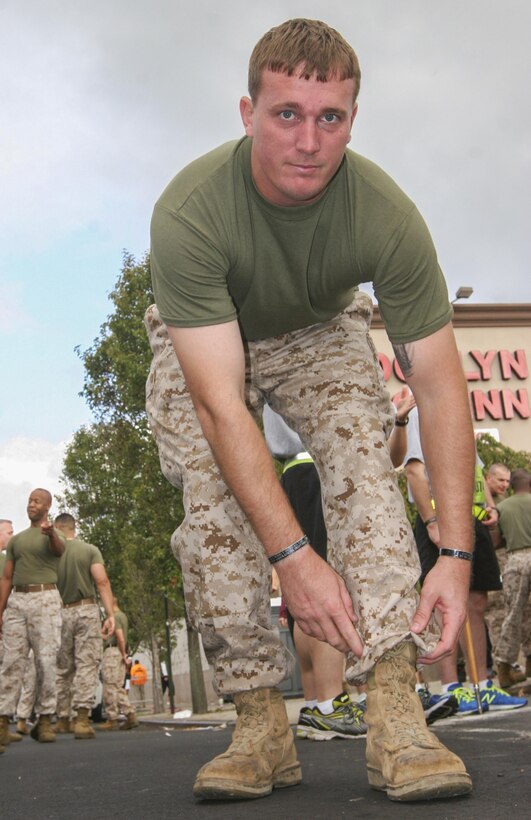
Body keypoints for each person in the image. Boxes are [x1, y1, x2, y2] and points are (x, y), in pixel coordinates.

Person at [145, 18, 476, 803]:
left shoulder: (385, 216)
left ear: (351, 121)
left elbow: (437, 386)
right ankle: (260, 717)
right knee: (208, 490)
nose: (308, 140)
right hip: (205, 341)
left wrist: (457, 558)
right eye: (285, 113)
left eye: (329, 117)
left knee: (364, 453)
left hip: (319, 328)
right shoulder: (190, 213)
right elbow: (221, 402)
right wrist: (293, 559)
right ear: (246, 113)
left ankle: (393, 702)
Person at [404, 409, 527, 712]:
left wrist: (490, 506)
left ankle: (482, 686)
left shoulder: (458, 410)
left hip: (471, 519)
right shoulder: (422, 410)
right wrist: (431, 520)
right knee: (444, 601)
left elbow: (475, 466)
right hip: (441, 518)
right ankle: (450, 690)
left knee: (477, 601)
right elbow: (414, 470)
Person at [0, 489, 64, 748]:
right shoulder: (17, 541)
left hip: (45, 599)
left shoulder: (53, 535)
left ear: (47, 506)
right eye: (29, 501)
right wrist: (1, 611)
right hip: (17, 601)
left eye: (37, 501)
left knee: (47, 661)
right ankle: (3, 721)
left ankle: (46, 720)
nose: (31, 504)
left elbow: (59, 550)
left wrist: (50, 534)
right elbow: (6, 577)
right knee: (11, 662)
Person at [54, 513, 115, 739]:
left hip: (60, 611)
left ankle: (62, 718)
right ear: (74, 527)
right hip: (86, 609)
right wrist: (110, 614)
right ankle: (81, 719)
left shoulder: (52, 553)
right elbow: (102, 581)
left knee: (63, 667)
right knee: (87, 664)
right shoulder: (89, 550)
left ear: (58, 527)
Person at [494, 469, 531, 688]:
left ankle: (504, 669)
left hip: (515, 560)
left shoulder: (502, 507)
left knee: (513, 615)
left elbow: (497, 540)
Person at [97, 597, 138, 731]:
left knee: (109, 685)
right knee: (118, 686)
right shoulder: (123, 616)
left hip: (113, 651)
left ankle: (111, 718)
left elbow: (119, 636)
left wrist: (122, 652)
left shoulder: (113, 617)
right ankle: (130, 714)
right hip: (120, 652)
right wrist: (125, 654)